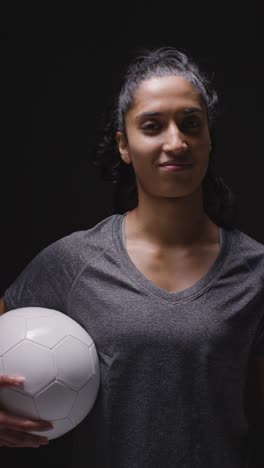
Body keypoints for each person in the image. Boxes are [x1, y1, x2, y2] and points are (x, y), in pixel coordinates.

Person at [1, 46, 263, 467]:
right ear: (125, 145)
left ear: (208, 138)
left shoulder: (255, 271)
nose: (176, 142)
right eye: (153, 126)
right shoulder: (75, 261)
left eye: (191, 125)